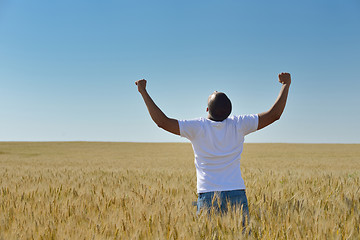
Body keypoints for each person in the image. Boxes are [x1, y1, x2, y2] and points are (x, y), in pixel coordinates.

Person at [135, 73, 291, 225]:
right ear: (230, 111)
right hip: (236, 191)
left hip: (208, 194)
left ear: (207, 110)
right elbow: (274, 115)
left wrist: (143, 91)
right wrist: (286, 84)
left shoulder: (196, 127)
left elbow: (162, 122)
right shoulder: (239, 124)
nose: (215, 90)